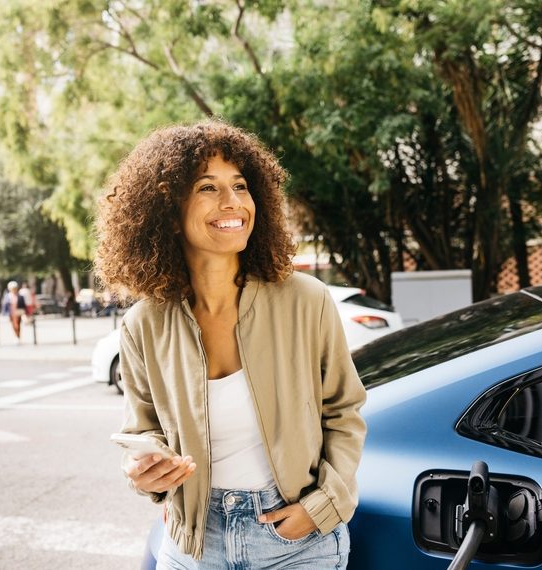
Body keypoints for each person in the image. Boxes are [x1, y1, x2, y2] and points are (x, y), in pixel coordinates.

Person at [96, 121, 366, 568]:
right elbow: (142, 431)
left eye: (240, 185)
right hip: (193, 542)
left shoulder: (306, 300)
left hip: (296, 541)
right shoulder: (143, 324)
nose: (233, 202)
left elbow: (345, 412)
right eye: (208, 187)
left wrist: (320, 507)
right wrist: (146, 474)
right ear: (167, 210)